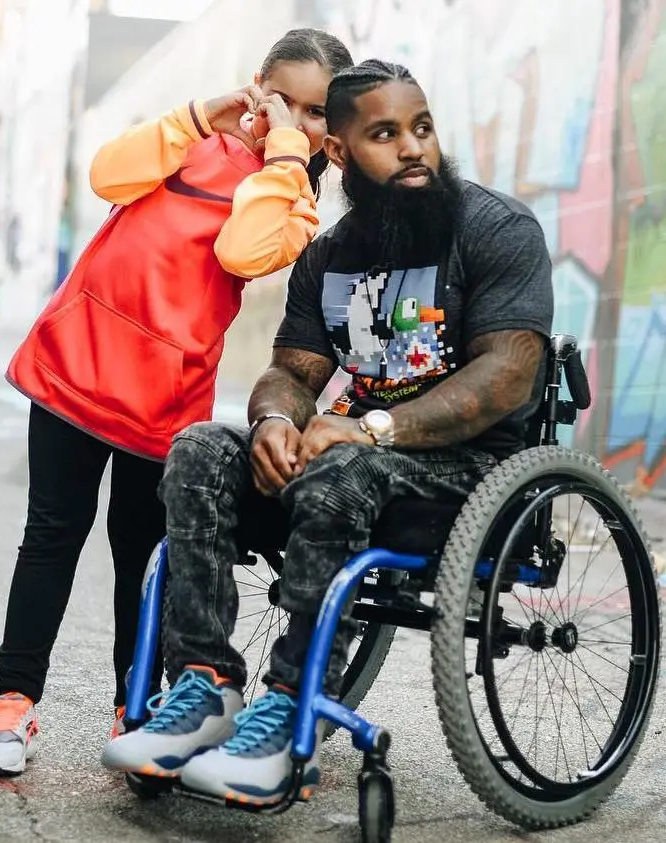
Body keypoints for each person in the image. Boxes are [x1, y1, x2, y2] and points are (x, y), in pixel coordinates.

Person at [100, 59, 554, 805]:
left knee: (344, 469)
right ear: (338, 152)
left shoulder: (495, 229)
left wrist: (370, 428)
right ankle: (206, 684)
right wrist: (278, 419)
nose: (412, 149)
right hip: (353, 463)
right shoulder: (330, 254)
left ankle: (285, 712)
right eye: (384, 134)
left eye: (422, 128)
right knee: (201, 449)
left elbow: (507, 376)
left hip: (468, 473)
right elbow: (290, 370)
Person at [0, 29, 354, 777]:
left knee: (140, 556)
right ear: (257, 88)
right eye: (286, 102)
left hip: (162, 396)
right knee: (50, 536)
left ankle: (135, 704)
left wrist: (279, 156)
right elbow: (109, 175)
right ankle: (11, 703)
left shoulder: (295, 205)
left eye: (315, 114)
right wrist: (197, 115)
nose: (297, 123)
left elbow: (242, 251)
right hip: (76, 362)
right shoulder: (191, 139)